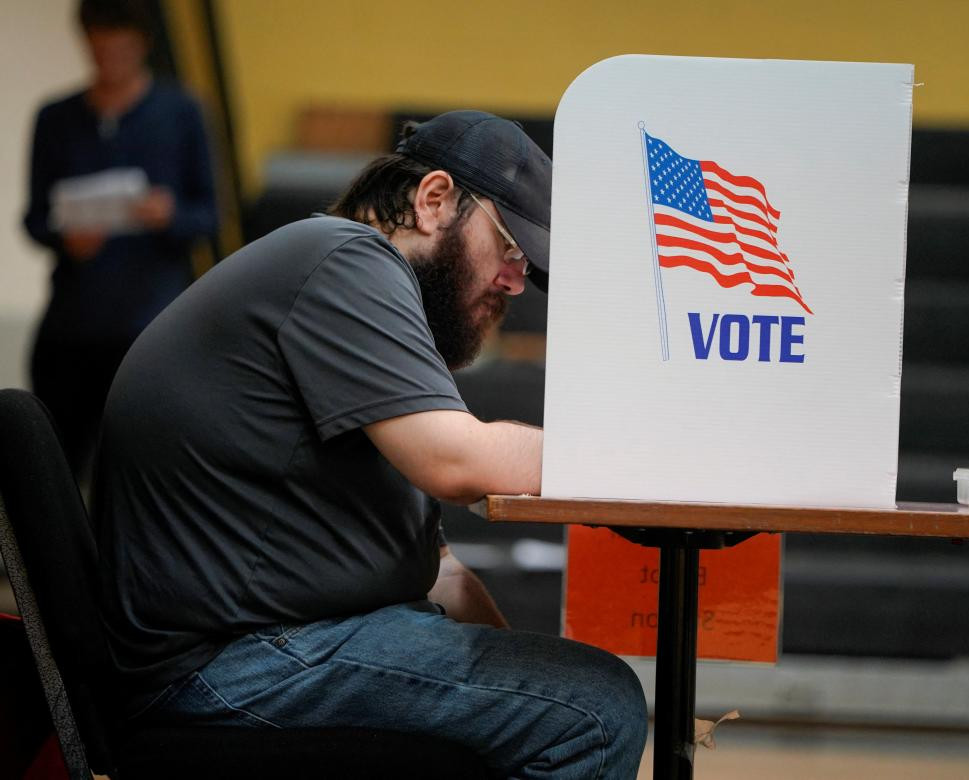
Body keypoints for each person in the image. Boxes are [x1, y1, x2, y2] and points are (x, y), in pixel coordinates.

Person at [95, 110, 648, 778]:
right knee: (597, 707)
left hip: (262, 647)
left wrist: (524, 678)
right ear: (434, 200)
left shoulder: (355, 304)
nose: (513, 281)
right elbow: (455, 461)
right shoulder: (348, 257)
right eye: (508, 249)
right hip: (230, 664)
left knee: (571, 693)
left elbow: (440, 572)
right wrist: (634, 456)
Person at [23, 0, 217, 480]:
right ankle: (59, 552)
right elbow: (34, 217)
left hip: (151, 317)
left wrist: (168, 214)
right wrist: (64, 237)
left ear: (142, 46)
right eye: (99, 50)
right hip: (75, 317)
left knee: (141, 460)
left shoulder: (181, 112)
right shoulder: (56, 117)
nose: (109, 61)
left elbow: (208, 214)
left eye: (121, 50)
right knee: (56, 456)